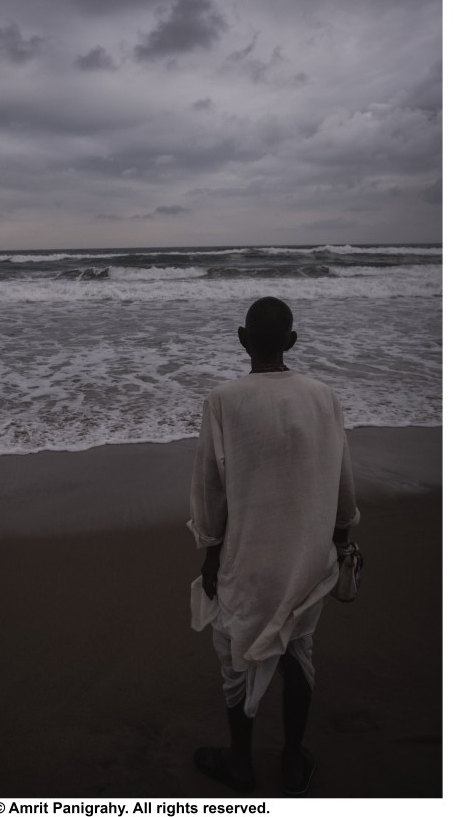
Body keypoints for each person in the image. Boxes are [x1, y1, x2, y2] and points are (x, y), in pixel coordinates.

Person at [188, 297, 359, 795]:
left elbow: (210, 488)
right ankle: (290, 763)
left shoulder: (223, 400)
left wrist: (210, 550)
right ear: (292, 341)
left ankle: (240, 762)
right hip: (307, 559)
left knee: (237, 656)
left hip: (248, 560)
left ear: (242, 339)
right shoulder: (324, 397)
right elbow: (343, 478)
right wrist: (341, 539)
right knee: (298, 653)